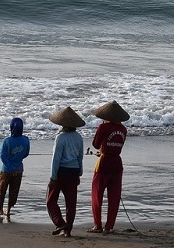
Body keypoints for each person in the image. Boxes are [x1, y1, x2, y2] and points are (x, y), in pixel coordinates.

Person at [88, 100, 129, 234]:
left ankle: (97, 225)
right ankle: (109, 226)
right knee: (114, 197)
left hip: (104, 163)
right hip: (117, 162)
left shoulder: (103, 127)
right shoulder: (123, 129)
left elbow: (95, 144)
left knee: (97, 195)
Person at [47, 106, 85, 237]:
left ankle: (60, 223)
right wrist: (80, 172)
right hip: (73, 172)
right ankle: (68, 229)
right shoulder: (79, 137)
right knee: (71, 203)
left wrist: (53, 176)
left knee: (51, 201)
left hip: (61, 171)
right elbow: (80, 156)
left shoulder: (61, 138)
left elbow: (56, 158)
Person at [0, 117, 30, 218]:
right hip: (18, 169)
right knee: (14, 191)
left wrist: (10, 166)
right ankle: (8, 210)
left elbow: (3, 156)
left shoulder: (7, 141)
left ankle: (0, 209)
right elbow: (26, 153)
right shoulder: (26, 140)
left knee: (1, 190)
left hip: (6, 170)